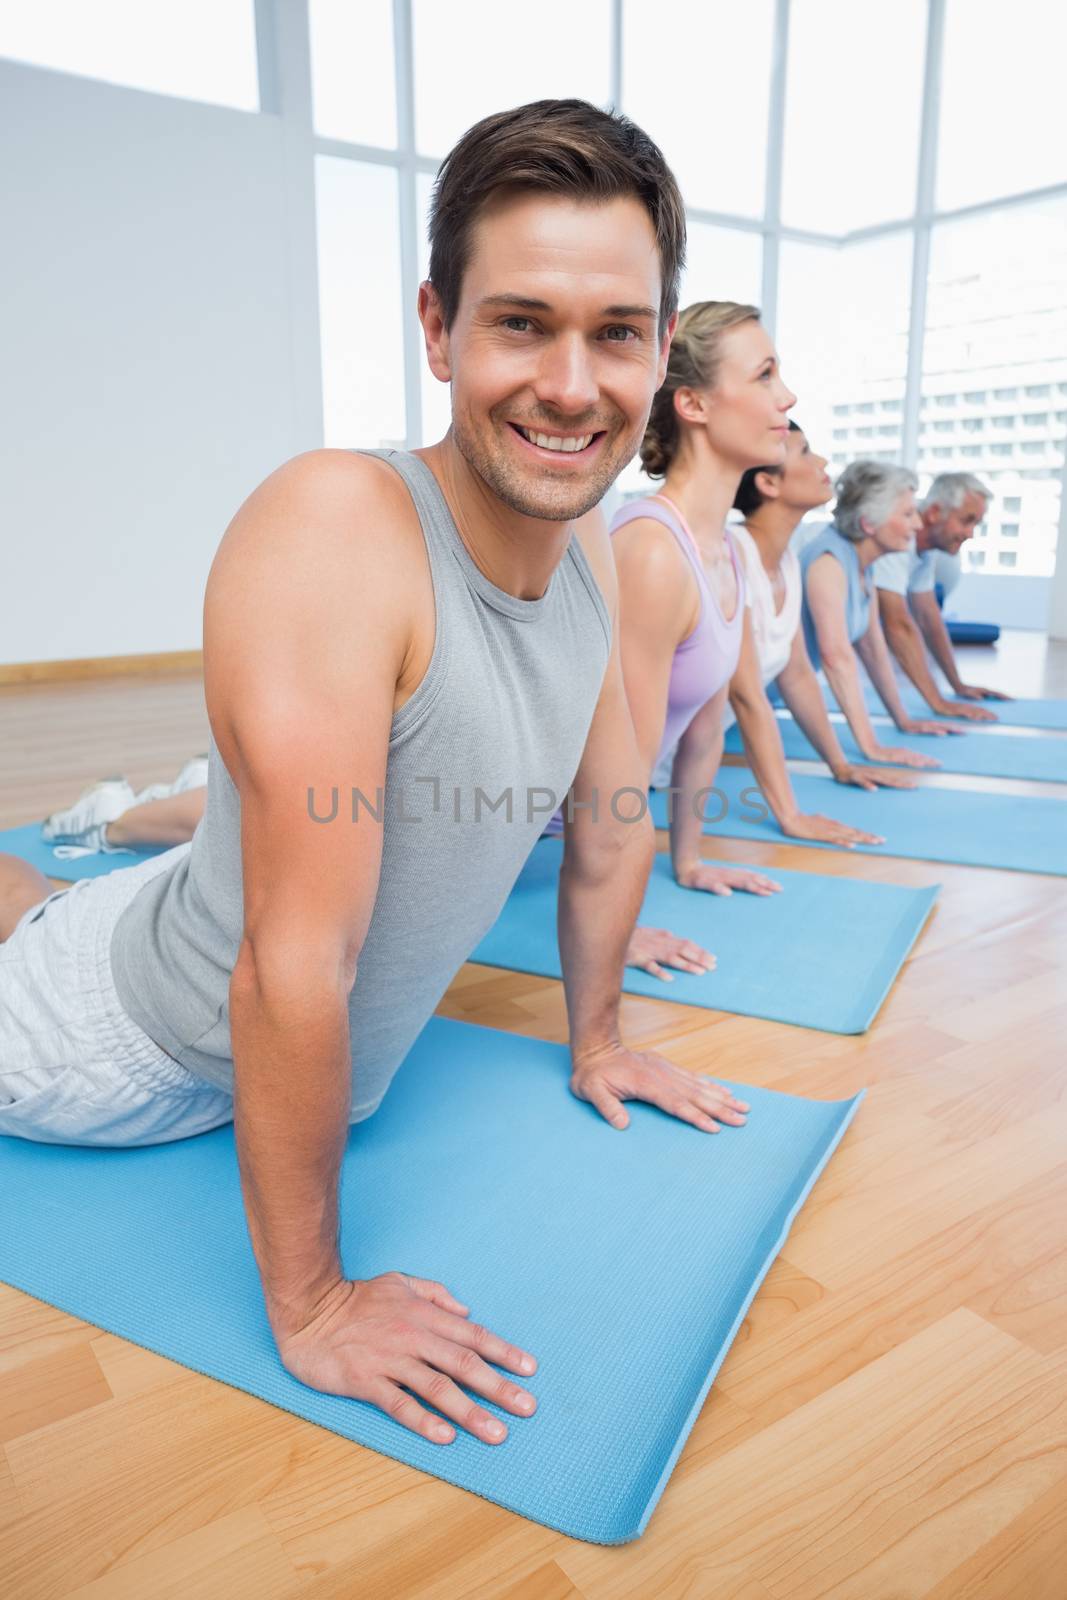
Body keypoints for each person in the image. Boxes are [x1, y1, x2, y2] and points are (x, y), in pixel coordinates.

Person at [0, 100, 749, 1450]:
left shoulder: (589, 552)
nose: (571, 386)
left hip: (180, 909)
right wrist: (312, 1302)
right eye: (520, 323)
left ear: (651, 350)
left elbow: (605, 830)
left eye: (614, 333)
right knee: (37, 940)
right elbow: (290, 971)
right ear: (436, 329)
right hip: (118, 1046)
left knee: (39, 892)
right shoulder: (336, 527)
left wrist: (598, 1041)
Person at [611, 303, 884, 963]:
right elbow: (613, 770)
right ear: (693, 405)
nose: (786, 399)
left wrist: (689, 860)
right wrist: (611, 927)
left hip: (574, 833)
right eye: (764, 375)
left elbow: (705, 728)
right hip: (521, 832)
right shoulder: (651, 550)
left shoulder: (728, 556)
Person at [725, 422, 917, 813]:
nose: (823, 461)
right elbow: (747, 696)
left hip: (689, 752)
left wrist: (842, 765)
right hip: (644, 762)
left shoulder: (789, 563)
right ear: (769, 484)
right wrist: (791, 815)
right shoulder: (733, 557)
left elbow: (797, 675)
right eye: (805, 451)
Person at [800, 459, 966, 768]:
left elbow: (872, 647)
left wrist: (902, 719)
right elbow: (837, 658)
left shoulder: (865, 564)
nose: (918, 525)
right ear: (868, 523)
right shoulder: (829, 561)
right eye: (907, 514)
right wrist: (871, 747)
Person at [874, 470, 1010, 719]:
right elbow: (899, 626)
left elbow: (928, 616)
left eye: (975, 524)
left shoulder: (925, 553)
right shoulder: (896, 540)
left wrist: (957, 685)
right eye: (966, 520)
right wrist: (938, 703)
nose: (970, 534)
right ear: (935, 512)